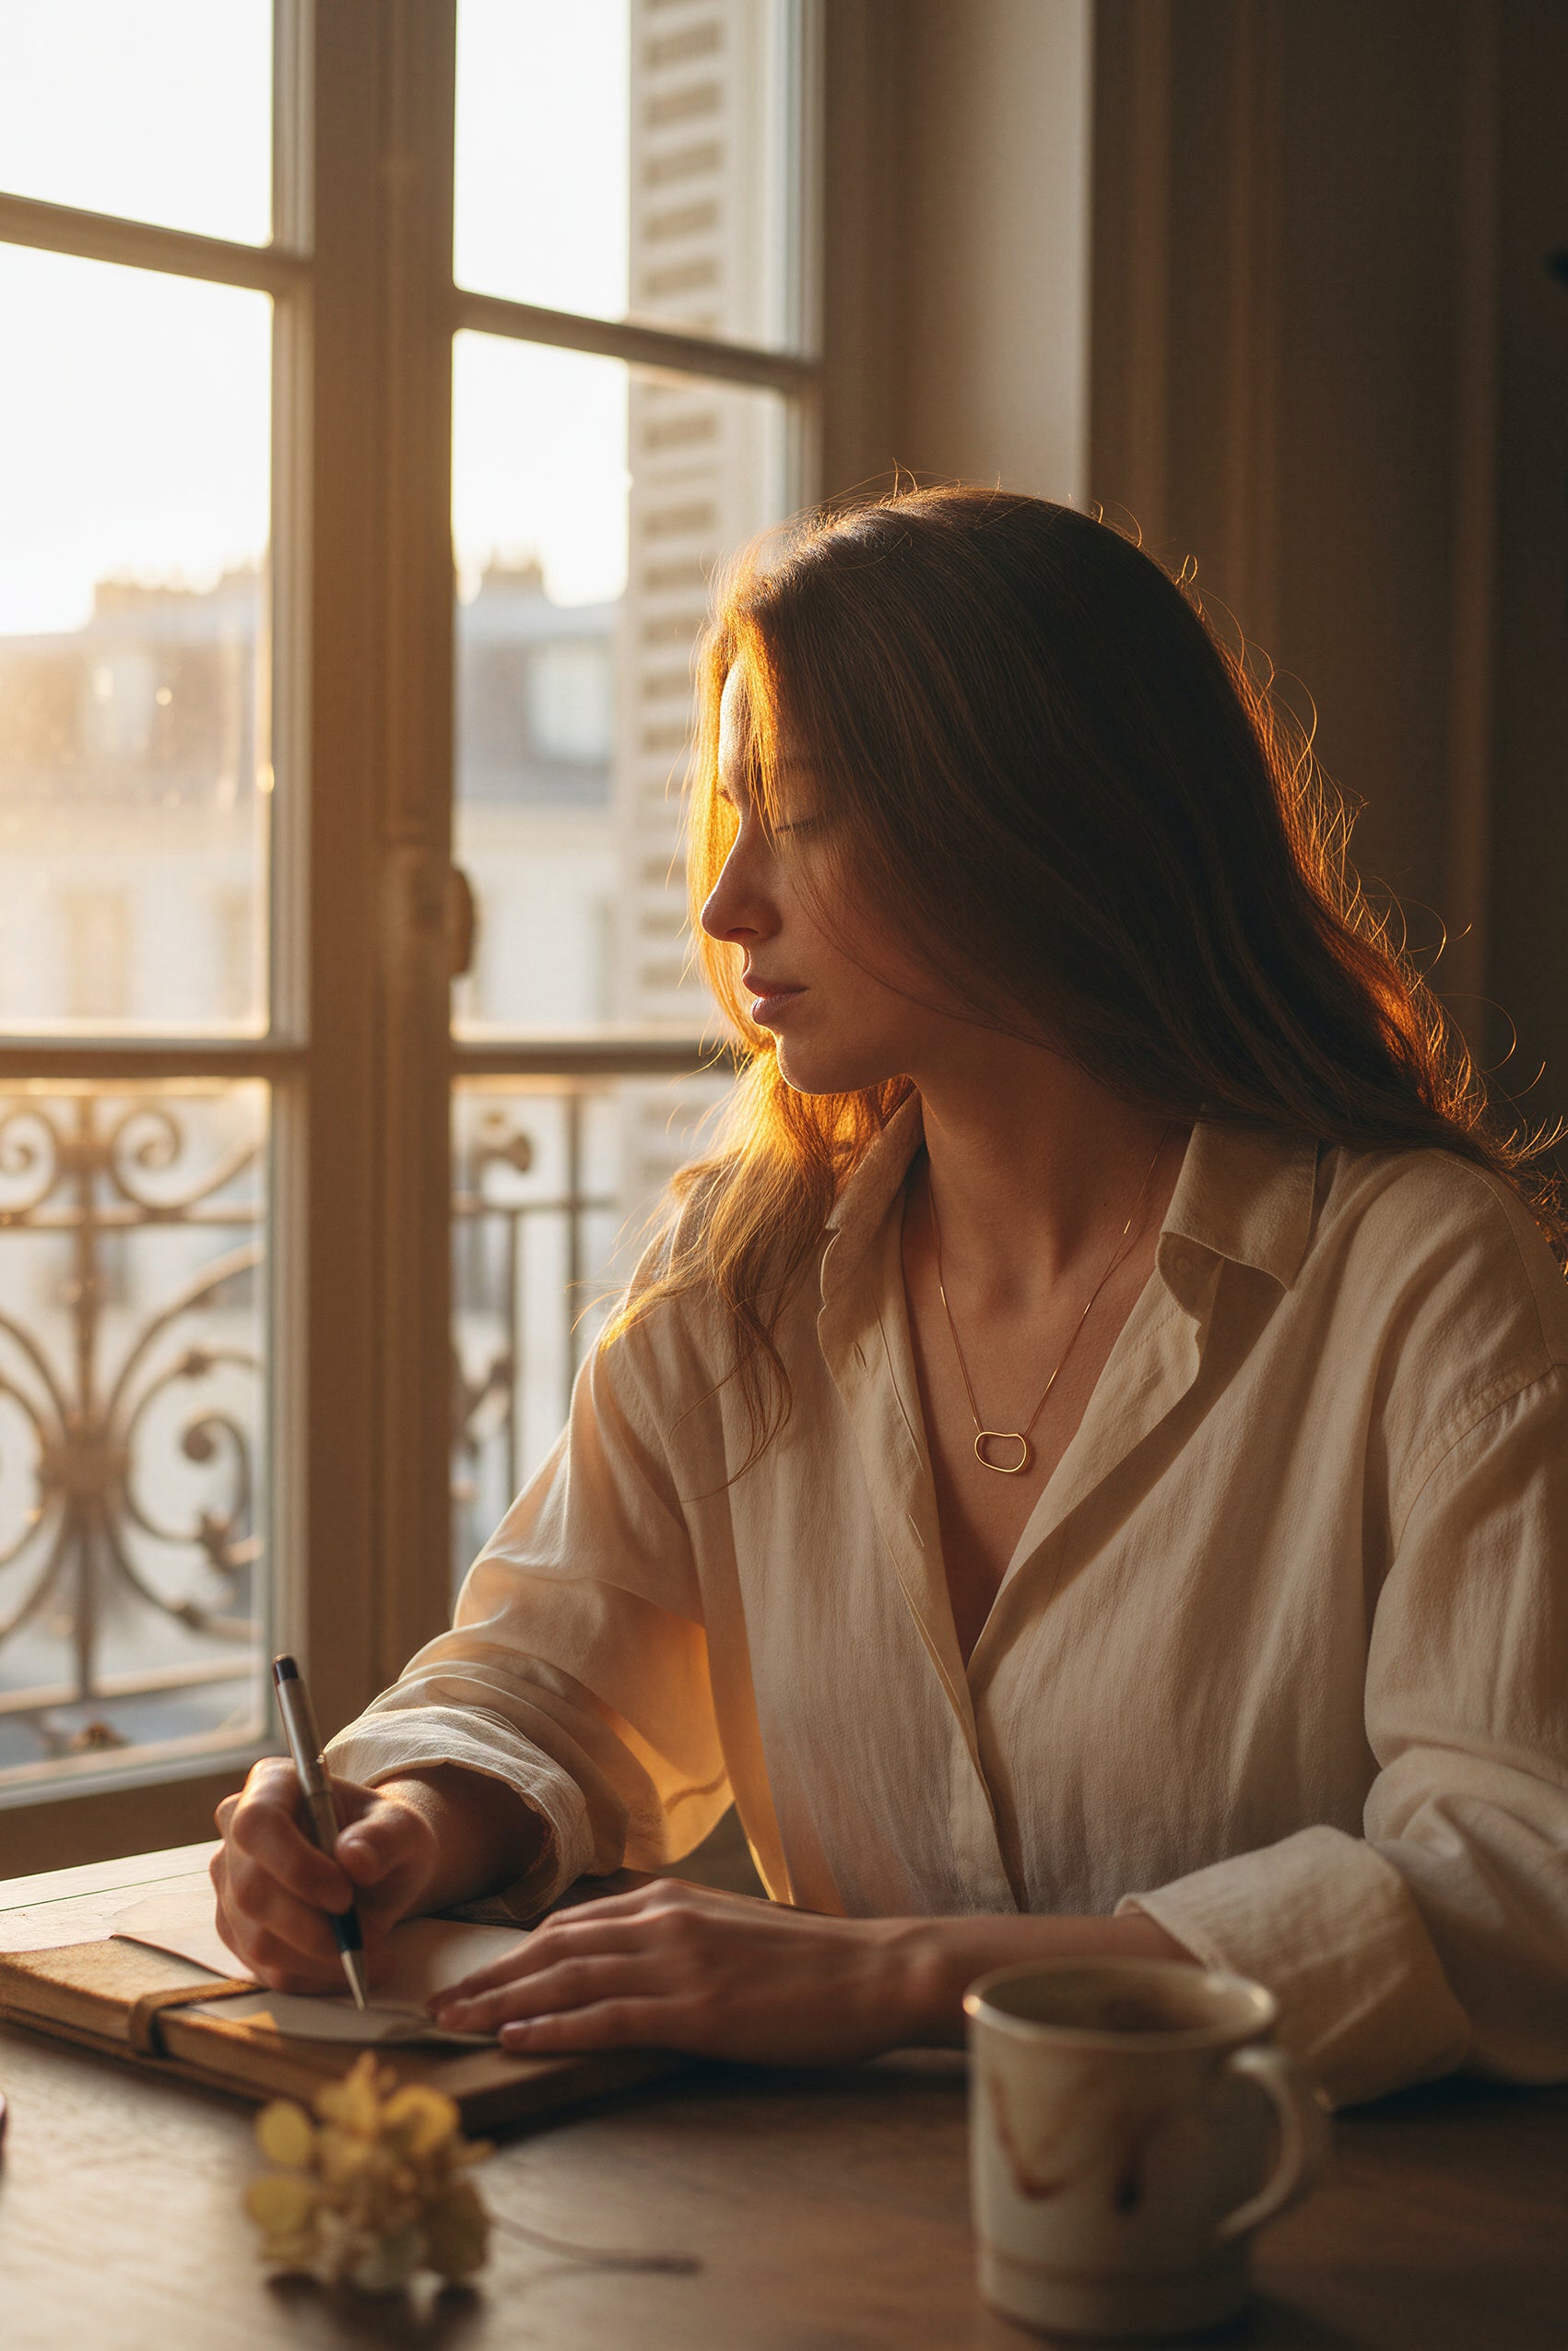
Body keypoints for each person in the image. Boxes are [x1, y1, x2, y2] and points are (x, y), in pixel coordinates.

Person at [211, 488, 1568, 2109]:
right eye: (731, 818)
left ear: (1028, 813)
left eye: (800, 813)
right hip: (830, 2241)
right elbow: (552, 1676)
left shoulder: (1414, 1270)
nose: (728, 907)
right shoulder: (737, 1268)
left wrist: (896, 1975)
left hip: (1307, 2241)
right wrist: (399, 1816)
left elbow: (1517, 1884)